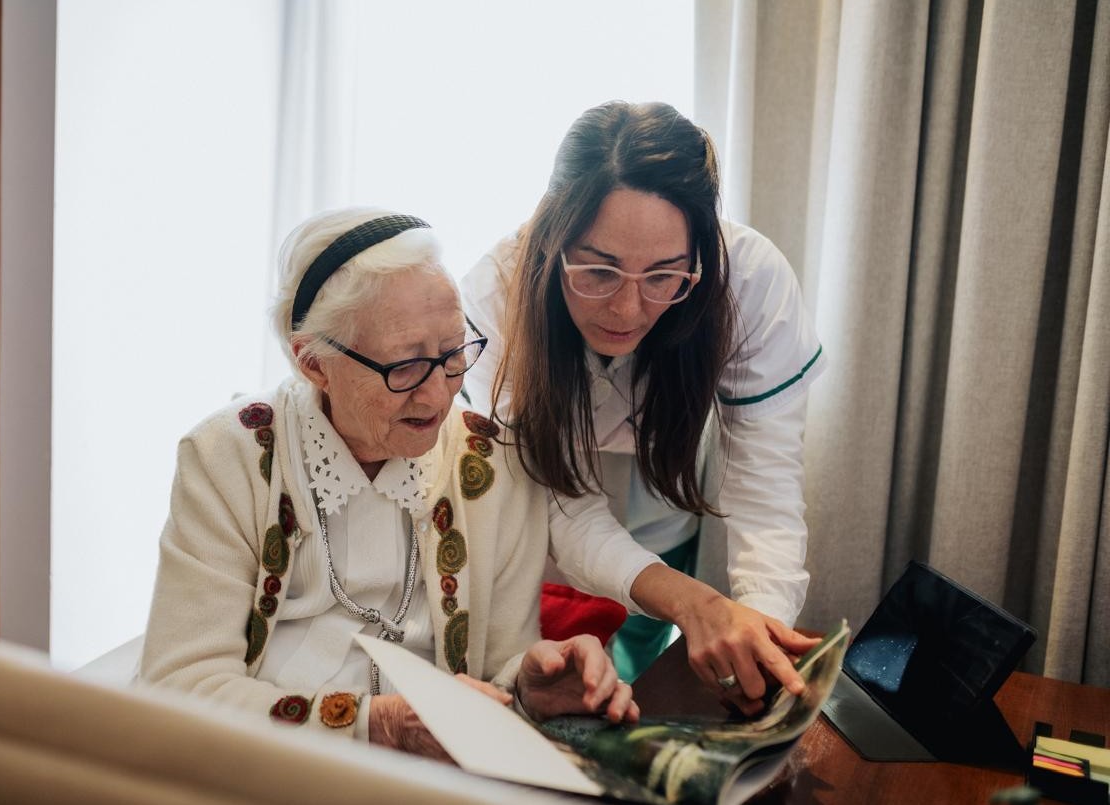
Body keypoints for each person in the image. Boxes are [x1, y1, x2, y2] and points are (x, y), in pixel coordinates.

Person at [138, 207, 636, 758]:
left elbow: (498, 664)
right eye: (405, 366)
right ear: (314, 363)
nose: (438, 395)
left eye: (453, 354)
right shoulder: (228, 457)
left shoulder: (497, 464)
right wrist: (374, 724)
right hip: (259, 766)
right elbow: (178, 690)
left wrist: (532, 685)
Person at [460, 101, 824, 712]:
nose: (627, 311)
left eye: (663, 277)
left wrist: (756, 636)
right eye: (599, 272)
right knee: (548, 705)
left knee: (639, 705)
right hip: (535, 531)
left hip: (662, 514)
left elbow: (763, 491)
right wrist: (694, 601)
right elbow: (561, 505)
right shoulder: (497, 293)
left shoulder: (751, 282)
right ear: (553, 241)